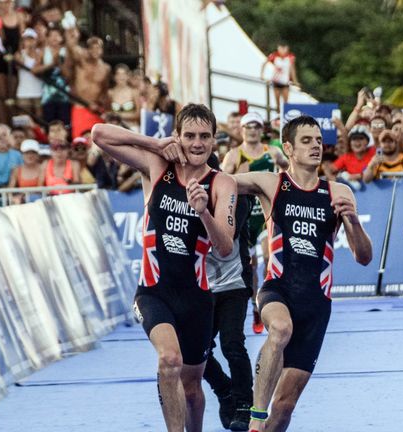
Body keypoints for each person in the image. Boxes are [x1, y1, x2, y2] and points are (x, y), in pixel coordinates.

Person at [91, 104, 237, 432]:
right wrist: (154, 144)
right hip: (153, 292)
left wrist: (203, 212)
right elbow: (99, 134)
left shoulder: (222, 184)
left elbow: (225, 248)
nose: (196, 143)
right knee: (168, 360)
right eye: (189, 136)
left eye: (204, 137)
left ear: (215, 141)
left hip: (197, 300)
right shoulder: (157, 165)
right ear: (177, 137)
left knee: (191, 388)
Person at [232, 115, 372, 432]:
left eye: (319, 141)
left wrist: (352, 221)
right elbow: (222, 181)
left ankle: (266, 422)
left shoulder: (339, 192)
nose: (315, 147)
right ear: (289, 149)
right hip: (277, 290)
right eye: (306, 141)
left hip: (316, 306)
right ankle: (255, 418)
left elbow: (364, 257)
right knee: (280, 329)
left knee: (284, 408)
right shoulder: (272, 184)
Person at [222, 111, 289, 334]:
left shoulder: (273, 152)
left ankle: (273, 298)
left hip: (266, 215)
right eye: (248, 127)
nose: (252, 130)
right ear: (242, 130)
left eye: (256, 126)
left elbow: (289, 169)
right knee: (249, 268)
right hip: (244, 218)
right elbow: (220, 183)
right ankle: (255, 307)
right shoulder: (234, 155)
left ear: (262, 130)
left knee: (269, 255)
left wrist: (284, 187)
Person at [203, 156, 254, 431]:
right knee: (194, 351)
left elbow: (223, 237)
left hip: (233, 284)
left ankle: (245, 404)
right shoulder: (181, 195)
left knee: (232, 344)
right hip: (202, 287)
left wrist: (200, 210)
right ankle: (224, 390)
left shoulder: (235, 196)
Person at [66, 34, 111, 138]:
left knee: (98, 140)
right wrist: (71, 34)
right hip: (80, 106)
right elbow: (72, 48)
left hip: (96, 109)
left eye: (98, 48)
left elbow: (104, 90)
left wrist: (102, 105)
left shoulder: (105, 68)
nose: (95, 51)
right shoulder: (80, 62)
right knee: (80, 139)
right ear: (88, 50)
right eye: (92, 48)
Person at [260, 43, 298, 112]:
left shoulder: (290, 57)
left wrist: (295, 80)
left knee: (286, 103)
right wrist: (262, 75)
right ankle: (278, 117)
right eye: (281, 48)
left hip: (285, 81)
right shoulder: (274, 55)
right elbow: (264, 63)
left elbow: (292, 69)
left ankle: (285, 117)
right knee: (277, 103)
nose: (283, 50)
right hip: (276, 81)